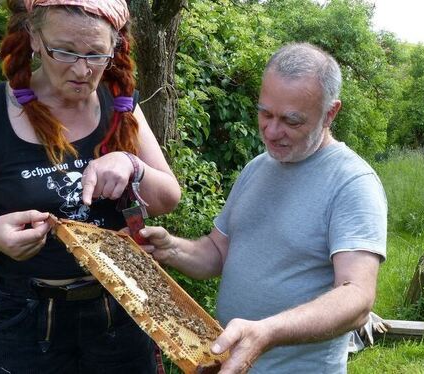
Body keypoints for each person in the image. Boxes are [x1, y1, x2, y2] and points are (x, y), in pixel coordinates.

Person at [0, 0, 180, 372]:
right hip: (27, 318)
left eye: (96, 55)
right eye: (64, 51)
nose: (82, 70)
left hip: (121, 307)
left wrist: (131, 165)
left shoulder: (121, 105)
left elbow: (168, 199)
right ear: (34, 38)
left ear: (114, 50)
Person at [139, 43, 388, 373]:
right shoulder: (258, 167)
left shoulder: (352, 182)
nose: (271, 132)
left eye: (291, 121)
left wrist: (268, 332)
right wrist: (172, 250)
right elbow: (217, 252)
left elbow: (356, 297)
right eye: (265, 113)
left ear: (330, 113)